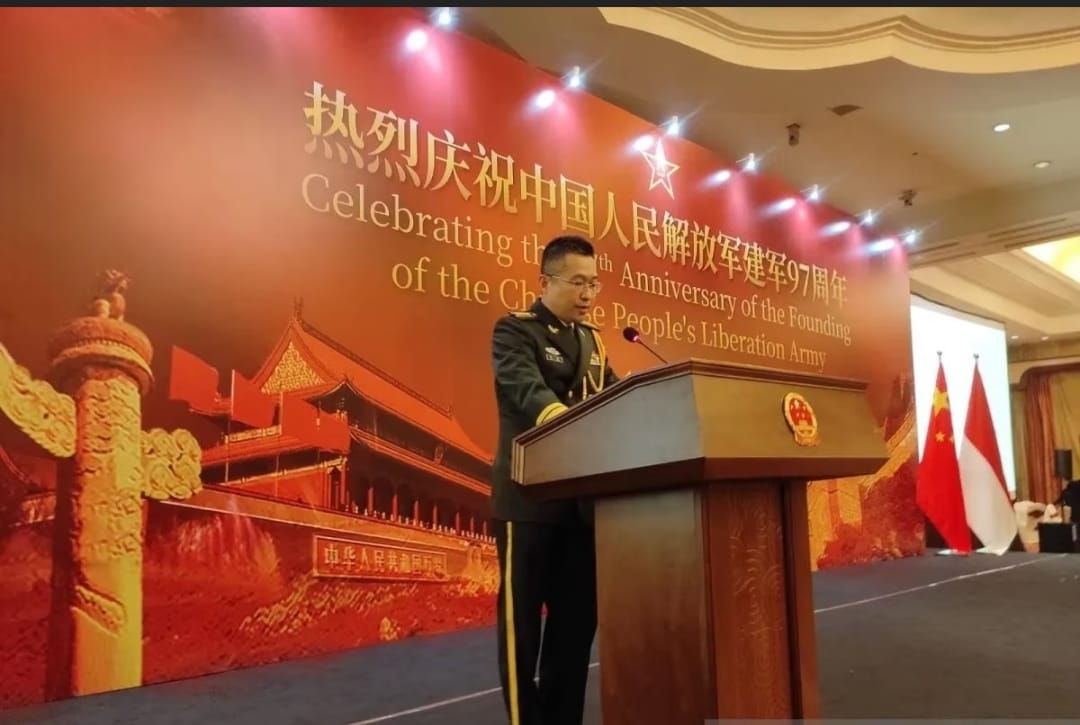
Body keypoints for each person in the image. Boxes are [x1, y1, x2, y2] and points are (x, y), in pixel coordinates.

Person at [489, 235, 620, 725]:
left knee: (575, 628)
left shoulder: (592, 342)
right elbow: (527, 391)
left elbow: (613, 397)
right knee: (521, 630)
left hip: (579, 507)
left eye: (594, 284)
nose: (588, 294)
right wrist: (567, 422)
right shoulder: (514, 331)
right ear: (546, 281)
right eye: (578, 282)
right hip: (528, 501)